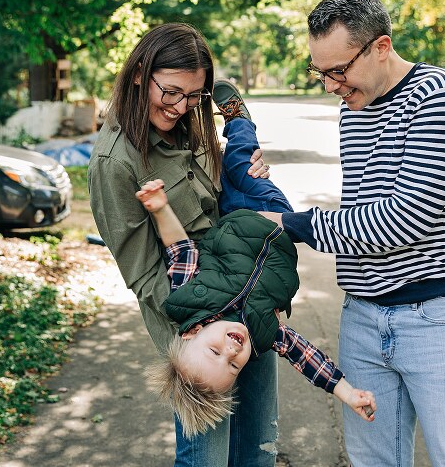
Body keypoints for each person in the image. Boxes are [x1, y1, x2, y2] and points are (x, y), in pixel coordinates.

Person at [259, 0, 445, 467]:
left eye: (338, 70)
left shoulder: (438, 94)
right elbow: (360, 216)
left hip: (441, 323)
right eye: (319, 72)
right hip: (364, 322)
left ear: (381, 47)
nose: (330, 85)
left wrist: (291, 225)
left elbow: (401, 218)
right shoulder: (355, 109)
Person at [88, 23, 276, 466]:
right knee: (205, 460)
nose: (180, 106)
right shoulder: (115, 162)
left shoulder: (192, 126)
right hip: (198, 332)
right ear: (139, 73)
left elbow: (221, 208)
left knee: (259, 451)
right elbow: (144, 275)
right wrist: (207, 318)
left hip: (250, 308)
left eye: (194, 96)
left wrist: (249, 174)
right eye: (170, 92)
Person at [135, 112, 376, 437]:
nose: (231, 352)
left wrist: (160, 208)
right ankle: (240, 129)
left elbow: (179, 247)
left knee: (226, 165)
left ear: (192, 334)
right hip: (273, 214)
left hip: (233, 215)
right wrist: (346, 392)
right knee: (242, 162)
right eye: (233, 365)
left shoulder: (192, 294)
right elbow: (306, 357)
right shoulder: (266, 333)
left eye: (214, 352)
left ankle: (237, 118)